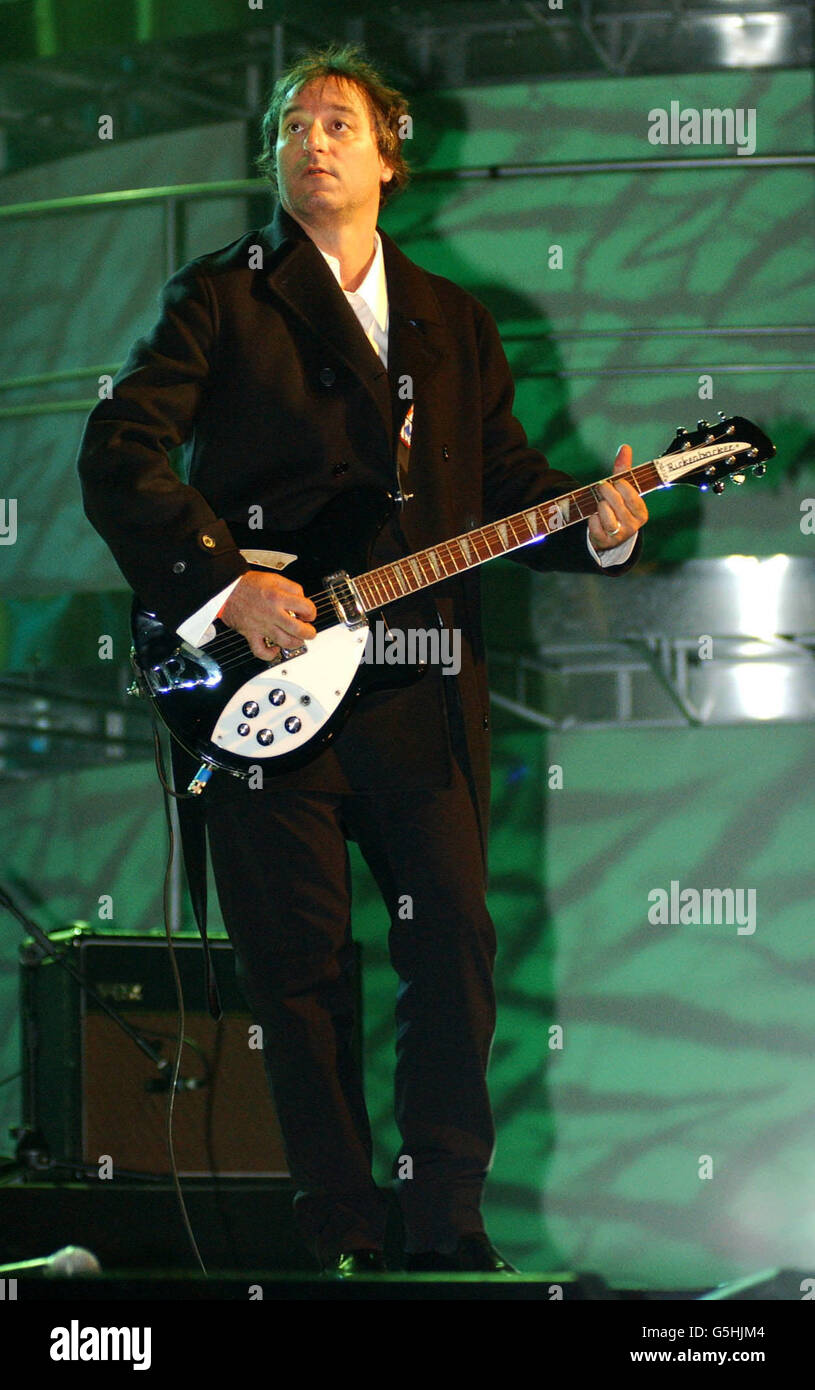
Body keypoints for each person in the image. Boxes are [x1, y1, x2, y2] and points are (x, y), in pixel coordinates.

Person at [77, 44, 648, 1277]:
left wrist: (594, 523)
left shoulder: (452, 321)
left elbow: (506, 493)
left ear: (392, 153)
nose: (311, 141)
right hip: (261, 687)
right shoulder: (221, 296)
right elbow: (120, 451)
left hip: (416, 692)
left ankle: (447, 1224)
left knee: (451, 949)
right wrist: (229, 587)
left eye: (338, 122)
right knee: (299, 976)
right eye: (292, 124)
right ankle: (338, 1233)